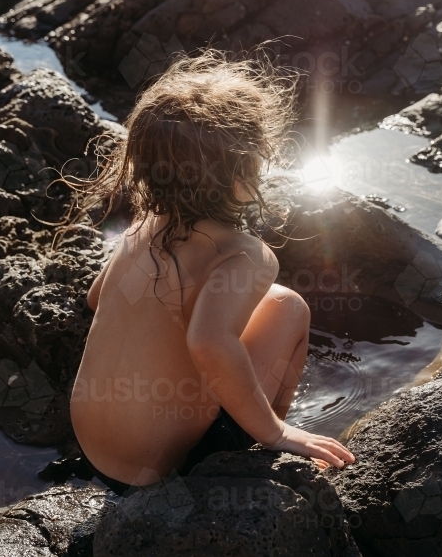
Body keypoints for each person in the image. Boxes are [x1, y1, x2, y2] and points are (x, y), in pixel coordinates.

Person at [64, 51, 355, 493]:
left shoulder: (142, 227)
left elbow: (94, 298)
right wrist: (274, 431)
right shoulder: (243, 255)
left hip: (91, 440)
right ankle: (264, 440)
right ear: (243, 178)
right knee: (290, 307)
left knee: (256, 306)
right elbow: (207, 341)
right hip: (159, 467)